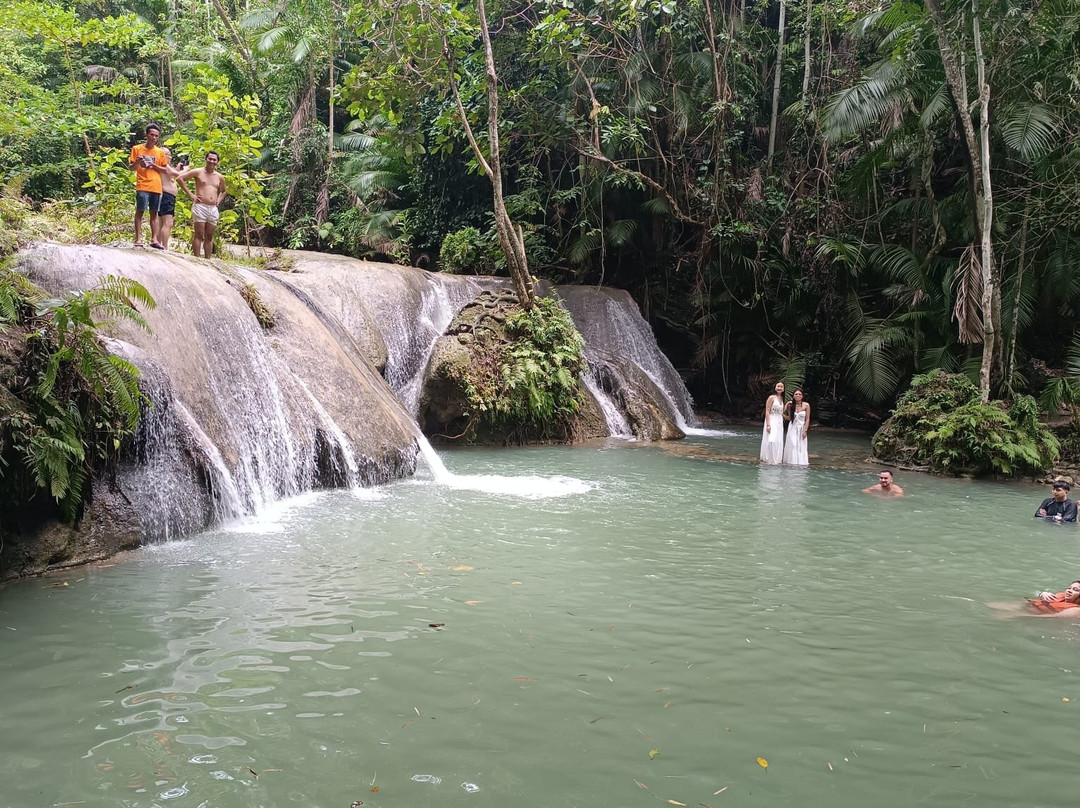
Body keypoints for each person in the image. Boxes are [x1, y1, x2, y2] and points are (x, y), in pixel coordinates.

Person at [177, 151, 226, 258]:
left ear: (217, 162)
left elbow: (223, 191)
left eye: (214, 160)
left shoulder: (219, 177)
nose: (212, 161)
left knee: (209, 236)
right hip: (200, 206)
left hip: (212, 208)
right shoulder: (198, 172)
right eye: (210, 159)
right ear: (206, 159)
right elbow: (180, 179)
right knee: (199, 234)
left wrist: (219, 200)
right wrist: (191, 195)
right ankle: (197, 259)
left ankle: (208, 260)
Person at [128, 124, 168, 247]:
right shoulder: (137, 149)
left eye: (156, 136)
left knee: (154, 213)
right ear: (146, 135)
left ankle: (154, 239)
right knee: (140, 211)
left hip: (156, 186)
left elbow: (165, 169)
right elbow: (131, 168)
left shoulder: (160, 152)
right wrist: (138, 162)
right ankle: (138, 239)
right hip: (142, 185)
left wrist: (153, 165)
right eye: (152, 135)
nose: (154, 138)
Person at [153, 149, 194, 251]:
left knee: (162, 222)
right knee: (168, 222)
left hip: (165, 196)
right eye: (168, 155)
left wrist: (178, 169)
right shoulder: (163, 165)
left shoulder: (164, 166)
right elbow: (177, 175)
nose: (170, 157)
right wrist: (187, 169)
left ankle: (158, 244)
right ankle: (165, 247)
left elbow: (172, 175)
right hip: (166, 196)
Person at [759, 381, 785, 464]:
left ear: (783, 389)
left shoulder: (781, 398)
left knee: (778, 439)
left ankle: (776, 459)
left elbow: (781, 411)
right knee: (771, 439)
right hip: (772, 419)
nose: (779, 388)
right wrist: (768, 424)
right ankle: (769, 458)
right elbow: (767, 411)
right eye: (778, 386)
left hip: (779, 420)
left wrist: (787, 404)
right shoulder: (771, 397)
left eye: (781, 387)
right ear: (775, 387)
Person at [783, 389, 810, 466]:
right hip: (793, 428)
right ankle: (792, 462)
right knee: (793, 444)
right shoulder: (790, 405)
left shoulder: (806, 405)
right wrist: (786, 404)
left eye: (799, 394)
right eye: (796, 394)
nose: (798, 395)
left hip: (802, 427)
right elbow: (789, 418)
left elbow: (807, 419)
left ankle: (801, 462)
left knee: (801, 445)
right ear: (793, 396)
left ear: (802, 396)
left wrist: (805, 430)